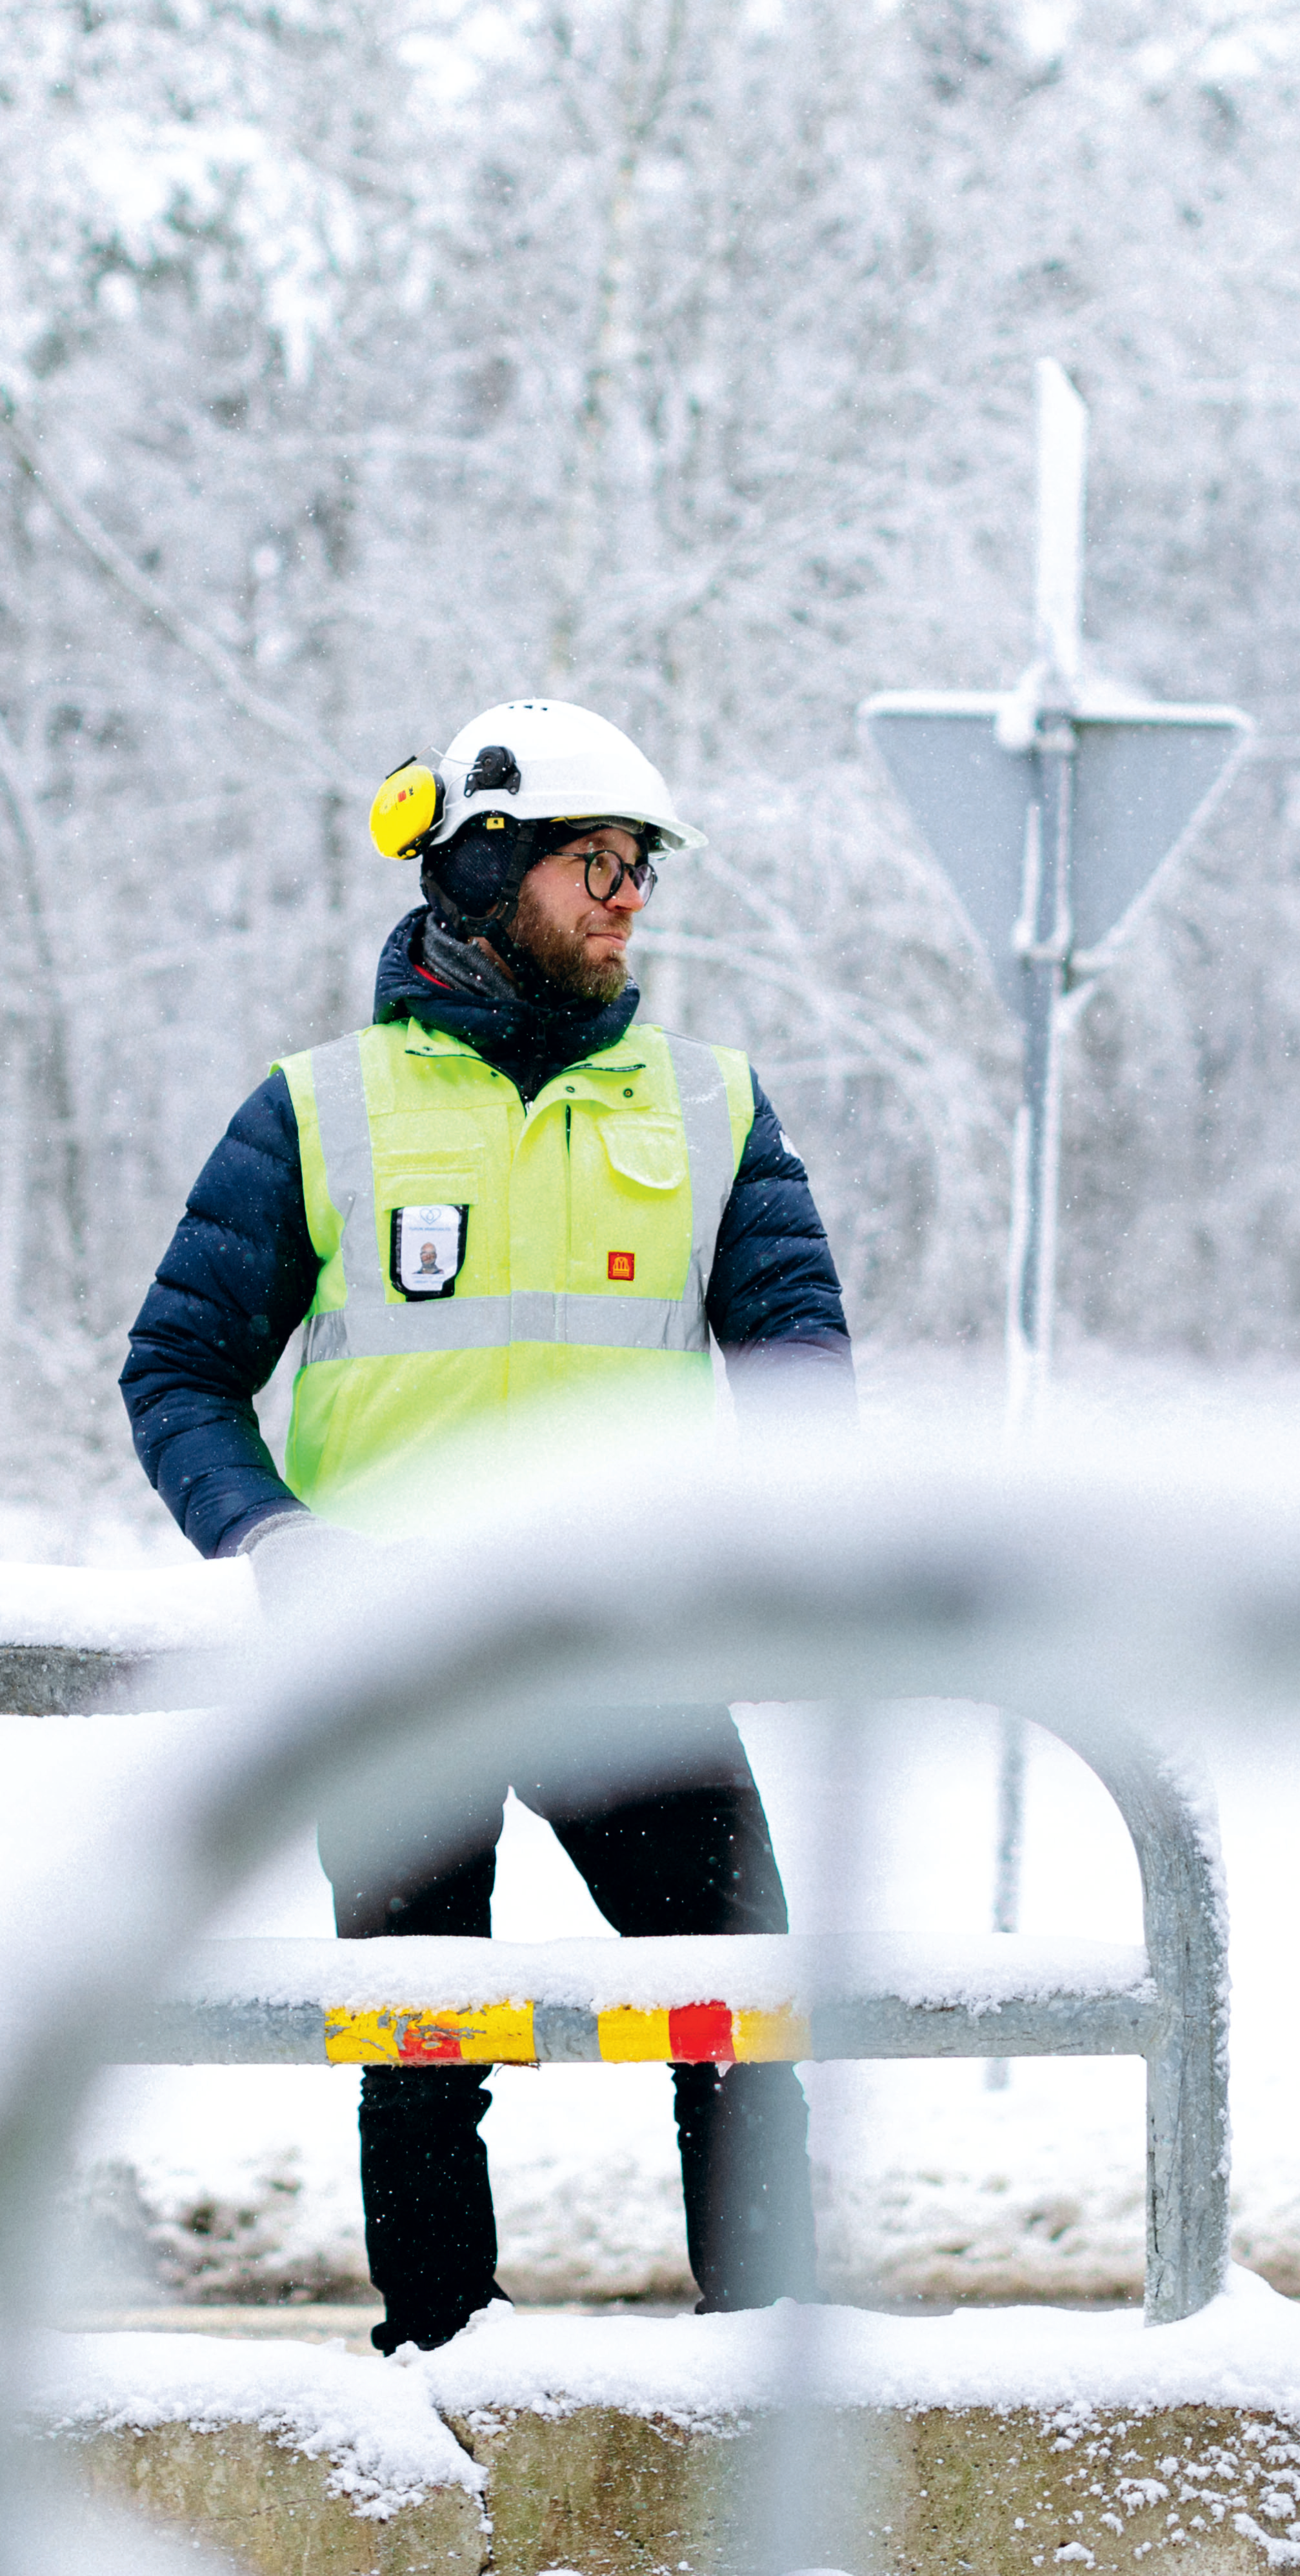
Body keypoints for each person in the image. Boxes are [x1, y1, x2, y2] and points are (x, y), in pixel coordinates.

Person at [122, 698, 852, 2352]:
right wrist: (272, 1540)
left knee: (739, 2007)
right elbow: (178, 1369)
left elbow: (799, 1350)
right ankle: (443, 2380)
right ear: (486, 865)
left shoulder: (716, 1105)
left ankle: (764, 2371)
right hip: (396, 1661)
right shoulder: (316, 1110)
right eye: (599, 864)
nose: (627, 901)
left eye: (642, 871)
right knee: (420, 2045)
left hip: (636, 1647)